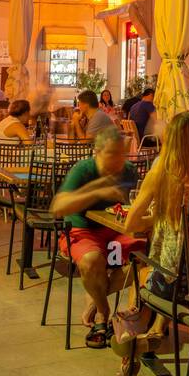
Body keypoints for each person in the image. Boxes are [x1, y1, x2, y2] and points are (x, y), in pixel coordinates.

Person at [117, 111, 189, 376]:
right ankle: (158, 328)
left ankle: (132, 344)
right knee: (168, 265)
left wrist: (160, 217)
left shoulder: (163, 168)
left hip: (173, 285)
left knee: (140, 270)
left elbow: (130, 224)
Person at [50, 124, 139, 349]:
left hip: (116, 235)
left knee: (147, 257)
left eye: (122, 153)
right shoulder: (84, 170)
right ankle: (103, 313)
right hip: (83, 231)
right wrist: (97, 192)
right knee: (92, 261)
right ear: (97, 152)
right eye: (113, 154)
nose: (120, 159)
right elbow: (58, 207)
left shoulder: (129, 171)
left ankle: (96, 299)